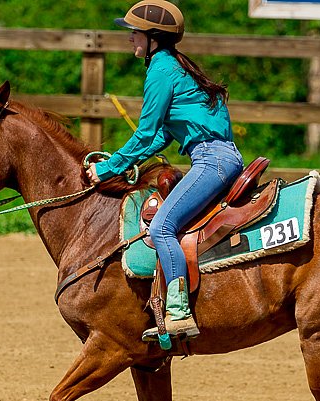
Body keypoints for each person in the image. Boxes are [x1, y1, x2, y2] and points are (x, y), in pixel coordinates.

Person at [85, 0, 244, 342]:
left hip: (212, 160)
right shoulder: (173, 66)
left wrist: (110, 167)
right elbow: (160, 135)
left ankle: (178, 312)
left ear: (153, 38)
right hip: (218, 157)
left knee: (162, 226)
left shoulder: (160, 70)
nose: (130, 40)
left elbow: (144, 132)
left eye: (134, 33)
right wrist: (127, 161)